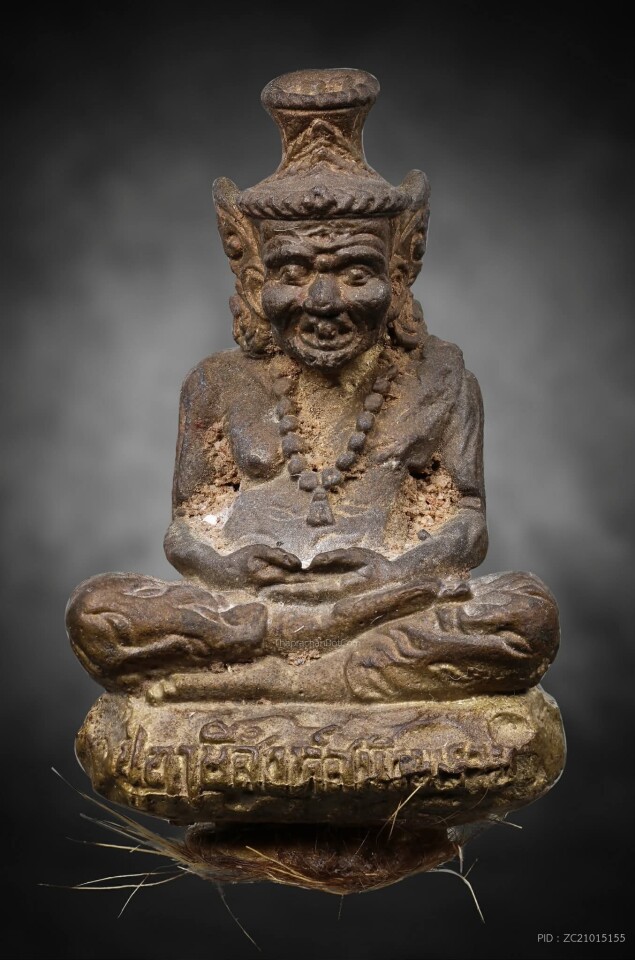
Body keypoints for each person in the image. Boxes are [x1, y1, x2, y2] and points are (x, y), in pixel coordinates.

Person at [67, 68, 558, 706]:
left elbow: (466, 524)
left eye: (356, 274)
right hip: (249, 612)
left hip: (383, 603)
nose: (322, 301)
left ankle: (267, 680)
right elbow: (186, 529)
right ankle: (338, 673)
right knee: (97, 610)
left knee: (527, 616)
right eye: (293, 274)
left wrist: (394, 571)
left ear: (399, 274)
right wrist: (225, 567)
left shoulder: (441, 379)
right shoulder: (216, 382)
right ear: (254, 279)